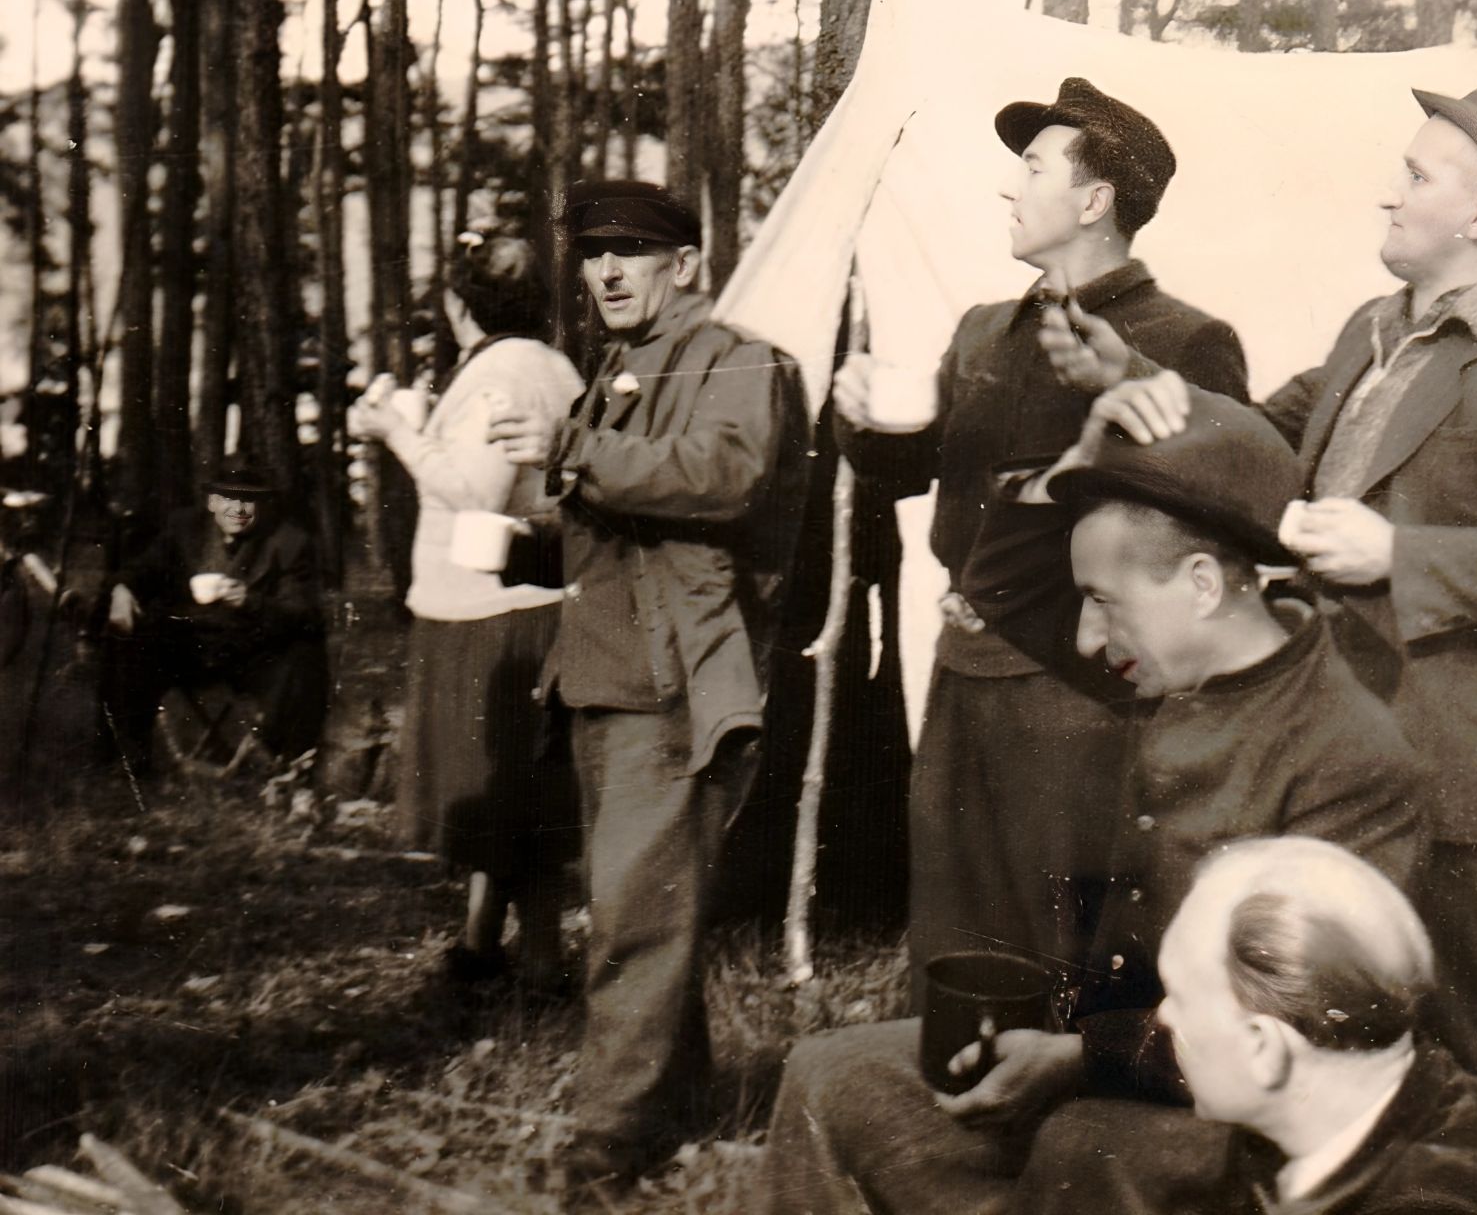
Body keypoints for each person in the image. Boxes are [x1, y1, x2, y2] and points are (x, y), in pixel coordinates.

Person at [1084, 69, 1477, 1105]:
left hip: (1449, 773)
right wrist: (1146, 383)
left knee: (1471, 1047)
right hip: (1329, 754)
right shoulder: (1369, 330)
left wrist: (1399, 556)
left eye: (1415, 176)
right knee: (1334, 1031)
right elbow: (1263, 440)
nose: (1389, 193)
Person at [762, 389, 1425, 1215]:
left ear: (1202, 585)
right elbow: (994, 582)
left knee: (1082, 1148)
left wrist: (1080, 1061)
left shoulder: (1347, 756)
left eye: (1105, 601)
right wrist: (1086, 452)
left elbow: (1299, 1037)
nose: (1085, 639)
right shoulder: (1165, 673)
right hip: (1111, 1073)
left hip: (1239, 1135)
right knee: (831, 1078)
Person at [830, 77, 1249, 1009]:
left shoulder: (1184, 338)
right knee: (952, 923)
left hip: (1082, 689)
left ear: (1095, 201)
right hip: (962, 666)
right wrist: (866, 424)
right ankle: (956, 1120)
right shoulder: (984, 329)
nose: (1009, 188)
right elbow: (928, 472)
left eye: (1031, 167)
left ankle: (1070, 1132)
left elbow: (1224, 513)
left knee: (1072, 942)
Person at [487, 180, 810, 1186]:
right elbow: (628, 525)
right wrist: (532, 541)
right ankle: (667, 1106)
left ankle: (607, 1142)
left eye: (632, 252)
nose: (609, 273)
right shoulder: (618, 370)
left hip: (678, 682)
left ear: (687, 263)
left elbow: (722, 476)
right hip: (604, 676)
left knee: (633, 918)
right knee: (647, 910)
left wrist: (573, 453)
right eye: (593, 254)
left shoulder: (740, 359)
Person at [348, 232, 585, 992]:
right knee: (515, 795)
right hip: (534, 598)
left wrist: (399, 434)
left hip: (491, 611)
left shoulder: (497, 373)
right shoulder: (554, 366)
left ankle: (540, 961)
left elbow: (476, 494)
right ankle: (484, 939)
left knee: (507, 795)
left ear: (457, 305)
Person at [1155, 836, 1477, 1215]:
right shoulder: (1418, 1107)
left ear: (1263, 1048)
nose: (1163, 1016)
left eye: (1179, 996)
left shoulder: (1446, 1200)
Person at [107, 463, 327, 770]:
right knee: (131, 639)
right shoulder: (186, 529)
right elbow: (144, 568)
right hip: (190, 645)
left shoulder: (289, 541)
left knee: (305, 653)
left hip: (253, 651)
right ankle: (129, 761)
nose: (237, 509)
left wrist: (252, 602)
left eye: (247, 500)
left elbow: (303, 611)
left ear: (262, 505)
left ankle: (287, 763)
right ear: (212, 502)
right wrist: (122, 589)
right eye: (227, 499)